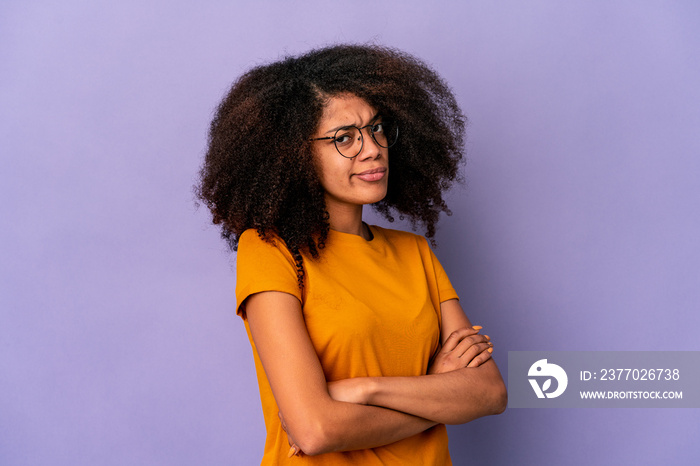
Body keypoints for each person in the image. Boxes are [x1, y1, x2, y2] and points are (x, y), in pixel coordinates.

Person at [196, 44, 507, 465]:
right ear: (294, 155)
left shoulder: (415, 253)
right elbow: (316, 429)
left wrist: (365, 390)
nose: (373, 148)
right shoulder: (271, 250)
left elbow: (489, 393)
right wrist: (435, 393)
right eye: (344, 138)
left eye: (377, 129)